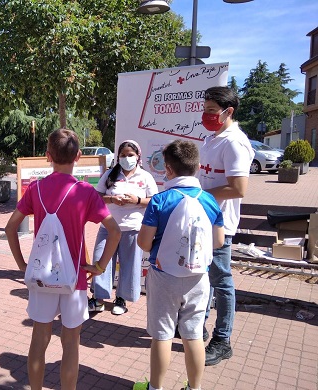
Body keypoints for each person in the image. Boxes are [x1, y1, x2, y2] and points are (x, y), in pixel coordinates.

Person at [4, 128, 121, 390]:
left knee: (39, 339)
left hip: (43, 277)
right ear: (78, 156)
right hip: (75, 277)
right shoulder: (86, 192)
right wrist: (100, 266)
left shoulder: (35, 189)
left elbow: (10, 228)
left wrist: (23, 266)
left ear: (48, 156)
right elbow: (115, 231)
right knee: (71, 343)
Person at [135, 139, 224, 390]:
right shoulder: (209, 200)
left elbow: (144, 242)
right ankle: (194, 388)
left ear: (169, 169)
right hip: (198, 278)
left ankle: (155, 388)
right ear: (196, 167)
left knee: (162, 335)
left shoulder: (160, 200)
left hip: (164, 276)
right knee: (193, 335)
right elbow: (218, 241)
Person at [197, 86, 255, 366]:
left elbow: (238, 188)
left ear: (228, 111)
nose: (206, 115)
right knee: (204, 278)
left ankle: (222, 340)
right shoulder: (212, 139)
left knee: (221, 280)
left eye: (211, 111)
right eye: (205, 109)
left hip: (220, 224)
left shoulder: (234, 142)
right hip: (204, 220)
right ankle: (200, 327)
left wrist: (201, 196)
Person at [88, 140, 158, 315]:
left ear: (138, 156)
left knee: (129, 265)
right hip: (108, 227)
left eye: (130, 155)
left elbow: (155, 201)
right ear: (118, 157)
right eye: (123, 155)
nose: (127, 158)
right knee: (100, 259)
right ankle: (98, 298)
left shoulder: (145, 177)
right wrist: (112, 199)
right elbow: (97, 197)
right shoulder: (110, 175)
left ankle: (121, 299)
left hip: (133, 228)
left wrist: (137, 201)